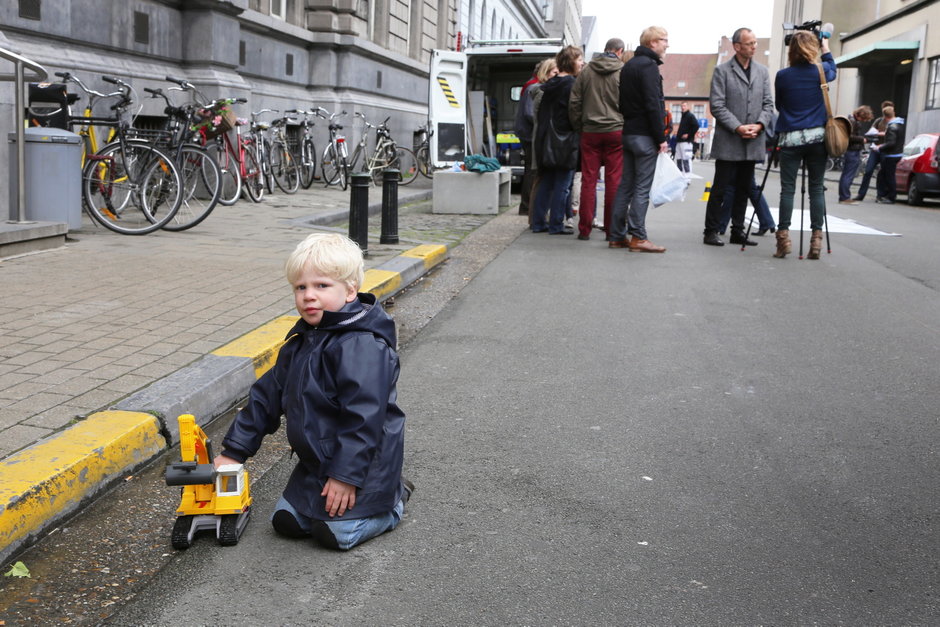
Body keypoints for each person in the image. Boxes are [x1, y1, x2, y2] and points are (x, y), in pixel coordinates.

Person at [214, 233, 412, 550]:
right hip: (317, 464)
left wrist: (346, 477)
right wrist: (234, 452)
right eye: (301, 287)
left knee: (335, 535)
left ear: (349, 290)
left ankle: (393, 503)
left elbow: (363, 419)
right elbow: (266, 397)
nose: (308, 296)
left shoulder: (361, 345)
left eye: (321, 286)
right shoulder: (305, 340)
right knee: (286, 523)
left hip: (366, 465)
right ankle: (330, 498)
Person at [702, 27, 774, 248]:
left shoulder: (762, 71)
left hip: (753, 139)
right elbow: (717, 105)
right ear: (737, 46)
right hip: (730, 139)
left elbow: (768, 104)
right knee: (720, 187)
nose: (754, 46)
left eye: (754, 43)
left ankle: (737, 230)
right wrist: (739, 127)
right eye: (750, 43)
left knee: (744, 187)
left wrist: (760, 124)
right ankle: (711, 230)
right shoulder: (722, 71)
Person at [773, 30, 836, 259]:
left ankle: (783, 239)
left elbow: (780, 104)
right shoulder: (821, 71)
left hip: (790, 138)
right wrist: (826, 46)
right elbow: (833, 67)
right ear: (813, 48)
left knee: (787, 190)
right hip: (817, 138)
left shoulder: (782, 75)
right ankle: (816, 241)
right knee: (816, 188)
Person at [608, 26, 670, 253]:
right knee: (642, 188)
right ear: (652, 42)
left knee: (625, 186)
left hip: (628, 132)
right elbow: (654, 105)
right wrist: (661, 138)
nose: (667, 44)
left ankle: (616, 235)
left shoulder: (629, 65)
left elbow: (622, 103)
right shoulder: (650, 67)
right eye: (664, 40)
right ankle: (638, 237)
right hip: (645, 135)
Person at [568, 37, 625, 241]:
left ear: (605, 50)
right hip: (616, 131)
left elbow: (574, 102)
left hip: (590, 131)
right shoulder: (622, 71)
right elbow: (629, 102)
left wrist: (579, 126)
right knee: (613, 181)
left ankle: (584, 229)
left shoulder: (587, 71)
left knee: (588, 180)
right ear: (619, 51)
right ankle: (611, 230)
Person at [532, 45, 584, 235]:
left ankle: (538, 222)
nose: (582, 62)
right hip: (565, 140)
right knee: (563, 184)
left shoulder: (549, 84)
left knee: (547, 182)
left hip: (546, 139)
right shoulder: (571, 84)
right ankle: (555, 224)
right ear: (571, 62)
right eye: (579, 59)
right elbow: (574, 114)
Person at [514, 62, 542, 216]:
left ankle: (526, 205)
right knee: (531, 170)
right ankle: (526, 206)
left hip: (528, 133)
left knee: (531, 170)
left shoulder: (529, 85)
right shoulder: (533, 87)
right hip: (529, 134)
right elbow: (530, 113)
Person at [854, 100, 893, 202]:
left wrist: (882, 134)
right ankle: (861, 194)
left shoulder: (894, 122)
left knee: (882, 173)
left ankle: (880, 195)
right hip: (875, 149)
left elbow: (893, 135)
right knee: (868, 171)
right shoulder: (879, 121)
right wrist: (875, 133)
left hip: (885, 149)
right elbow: (871, 131)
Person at [838, 105, 874, 204]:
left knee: (847, 174)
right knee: (848, 174)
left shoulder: (850, 120)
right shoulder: (853, 122)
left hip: (850, 150)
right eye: (864, 118)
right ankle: (845, 197)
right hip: (852, 150)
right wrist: (862, 139)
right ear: (861, 115)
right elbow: (849, 137)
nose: (864, 121)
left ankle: (844, 196)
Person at [872, 106, 905, 204]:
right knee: (886, 175)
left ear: (885, 116)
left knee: (888, 176)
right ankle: (886, 195)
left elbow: (891, 143)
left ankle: (891, 197)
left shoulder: (892, 127)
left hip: (891, 155)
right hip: (897, 153)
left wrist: (879, 147)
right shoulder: (900, 124)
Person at [675, 101, 698, 174]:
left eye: (684, 106)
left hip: (686, 142)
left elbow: (696, 126)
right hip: (679, 141)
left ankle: (687, 178)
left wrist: (689, 134)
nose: (682, 107)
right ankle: (681, 176)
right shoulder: (683, 116)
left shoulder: (690, 115)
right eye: (681, 106)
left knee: (686, 160)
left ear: (688, 107)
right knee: (679, 159)